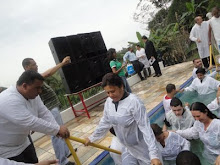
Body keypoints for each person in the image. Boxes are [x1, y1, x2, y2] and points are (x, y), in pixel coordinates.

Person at [85, 73, 162, 165]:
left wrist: (153, 155)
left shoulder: (134, 102)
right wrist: (92, 138)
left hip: (142, 147)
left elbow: (145, 128)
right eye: (107, 92)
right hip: (127, 148)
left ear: (121, 86)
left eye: (113, 91)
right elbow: (105, 122)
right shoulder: (109, 103)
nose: (110, 95)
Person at [0, 71, 70, 164]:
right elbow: (30, 122)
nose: (40, 91)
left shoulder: (33, 95)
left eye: (40, 87)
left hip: (24, 142)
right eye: (37, 88)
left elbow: (43, 112)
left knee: (34, 161)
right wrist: (57, 129)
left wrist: (56, 127)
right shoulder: (7, 99)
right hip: (8, 151)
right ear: (24, 86)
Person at [22, 57, 75, 165]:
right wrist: (62, 63)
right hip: (49, 110)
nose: (37, 66)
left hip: (52, 108)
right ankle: (62, 162)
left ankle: (66, 152)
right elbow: (47, 74)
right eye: (34, 64)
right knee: (56, 133)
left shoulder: (33, 78)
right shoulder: (30, 78)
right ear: (27, 67)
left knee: (61, 130)